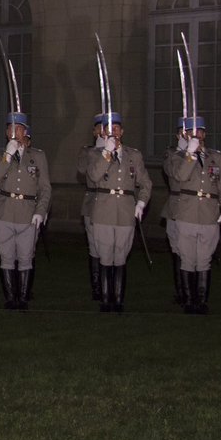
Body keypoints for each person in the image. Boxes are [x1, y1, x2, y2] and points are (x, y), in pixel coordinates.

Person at [85, 112, 152, 313]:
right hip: (103, 210)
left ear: (121, 132)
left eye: (116, 128)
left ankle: (119, 300)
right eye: (108, 129)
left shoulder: (134, 155)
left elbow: (145, 183)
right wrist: (106, 153)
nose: (113, 132)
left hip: (125, 210)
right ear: (102, 132)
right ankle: (106, 300)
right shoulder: (95, 154)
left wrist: (141, 203)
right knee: (105, 256)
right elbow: (94, 176)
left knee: (121, 256)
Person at [166, 116, 221, 314]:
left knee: (204, 259)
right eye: (192, 133)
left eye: (200, 132)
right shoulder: (177, 156)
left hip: (209, 213)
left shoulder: (216, 157)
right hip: (186, 212)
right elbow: (180, 176)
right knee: (187, 259)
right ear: (184, 135)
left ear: (205, 133)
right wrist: (190, 155)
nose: (197, 136)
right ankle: (188, 300)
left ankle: (201, 301)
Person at [0, 112, 50, 310]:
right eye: (11, 129)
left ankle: (22, 298)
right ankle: (10, 298)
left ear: (25, 131)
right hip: (5, 211)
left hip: (28, 213)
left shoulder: (37, 156)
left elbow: (45, 188)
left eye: (19, 129)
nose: (15, 133)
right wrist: (7, 155)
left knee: (25, 257)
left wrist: (41, 210)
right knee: (5, 256)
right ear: (7, 132)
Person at [76, 114, 106, 302]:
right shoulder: (88, 152)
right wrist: (101, 151)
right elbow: (82, 169)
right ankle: (97, 287)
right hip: (93, 202)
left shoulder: (122, 151)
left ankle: (109, 286)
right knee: (95, 247)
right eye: (100, 128)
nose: (104, 131)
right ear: (95, 131)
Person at [161, 123, 189, 307]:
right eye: (184, 132)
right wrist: (186, 155)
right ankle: (182, 291)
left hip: (199, 210)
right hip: (177, 207)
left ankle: (195, 293)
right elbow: (174, 174)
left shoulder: (208, 155)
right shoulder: (171, 155)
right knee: (178, 251)